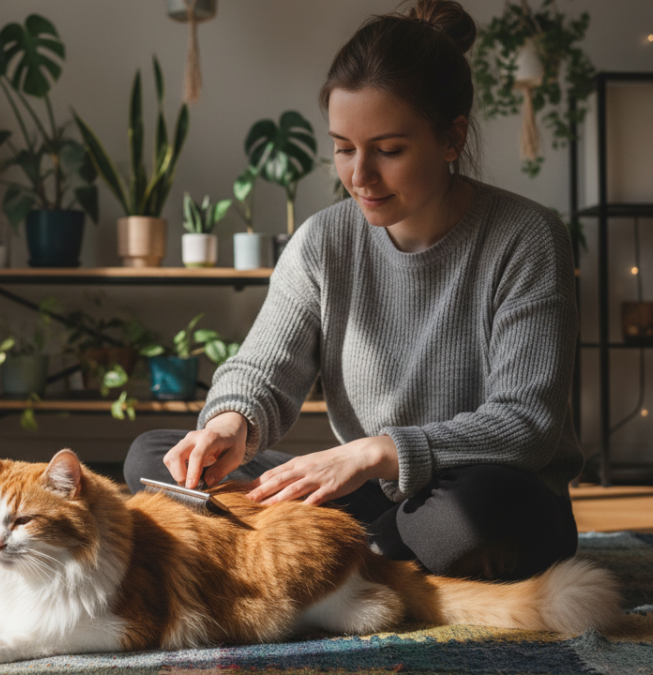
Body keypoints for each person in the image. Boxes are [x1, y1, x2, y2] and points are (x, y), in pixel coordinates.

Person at [124, 0, 583, 582]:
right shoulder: (322, 242)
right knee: (153, 459)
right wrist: (227, 426)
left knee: (469, 519)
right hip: (376, 497)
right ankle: (355, 557)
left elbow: (525, 424)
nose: (360, 176)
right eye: (344, 147)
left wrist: (372, 452)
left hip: (488, 490)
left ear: (451, 138)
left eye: (388, 150)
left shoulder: (527, 237)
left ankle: (319, 557)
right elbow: (263, 370)